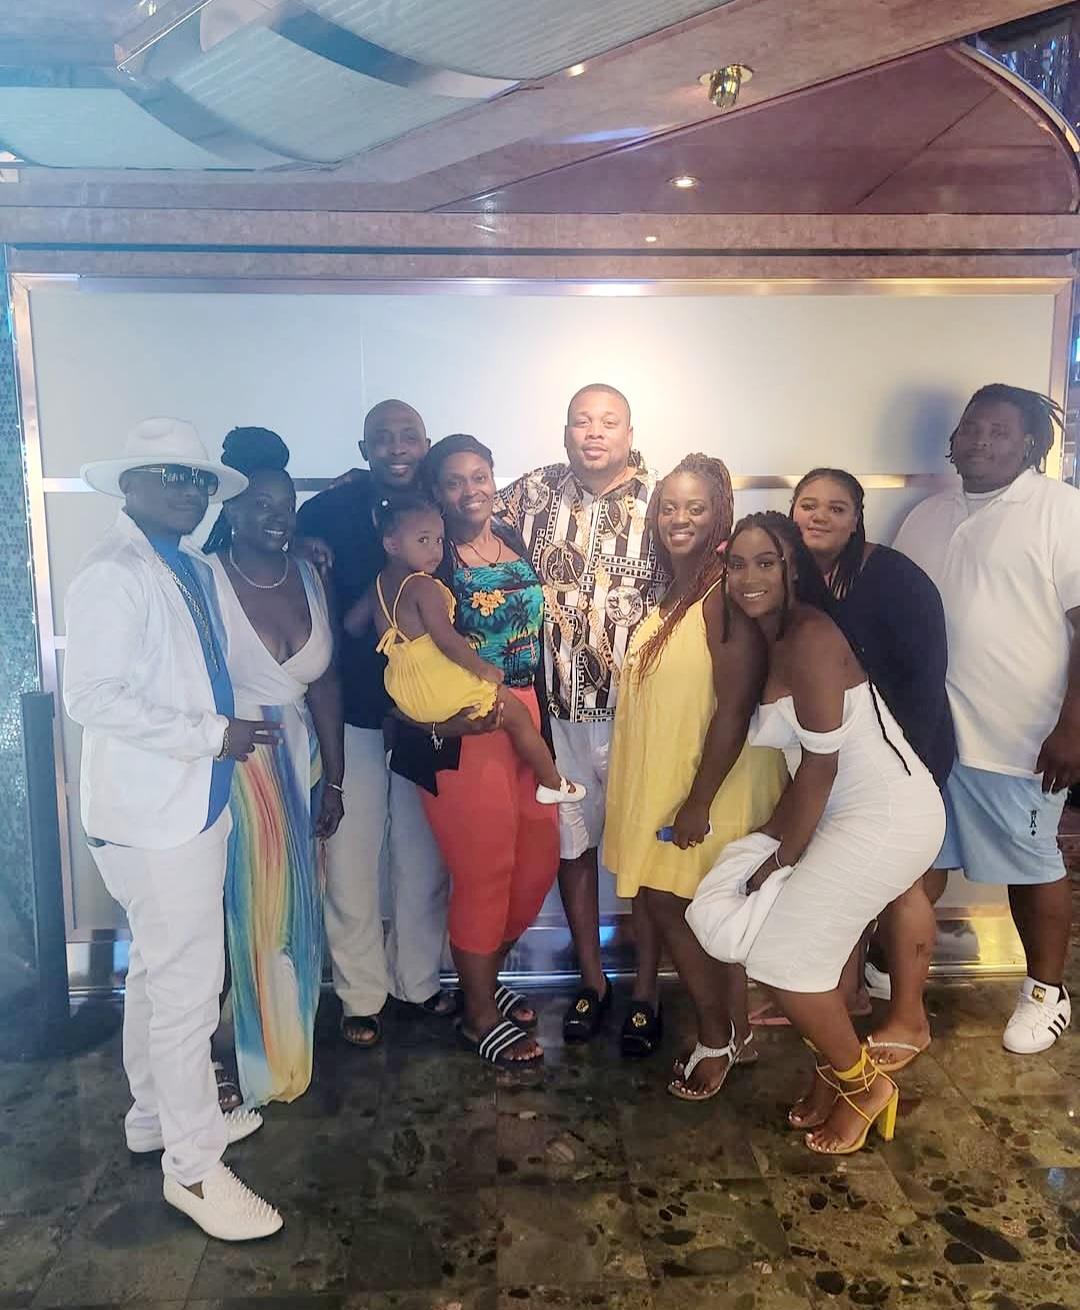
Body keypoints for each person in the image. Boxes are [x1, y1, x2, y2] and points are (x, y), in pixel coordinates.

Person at [65, 417, 282, 1240]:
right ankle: (193, 1170)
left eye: (197, 479)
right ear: (130, 484)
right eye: (170, 476)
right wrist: (211, 735)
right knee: (189, 990)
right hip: (153, 817)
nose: (188, 490)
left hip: (192, 803)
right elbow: (92, 697)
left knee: (159, 975)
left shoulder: (185, 565)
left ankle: (155, 1117)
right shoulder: (113, 574)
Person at [717, 511, 945, 1155]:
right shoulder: (771, 634)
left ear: (793, 567)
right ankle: (832, 1077)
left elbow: (821, 766)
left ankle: (866, 1088)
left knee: (784, 962)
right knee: (805, 961)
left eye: (766, 563)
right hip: (845, 814)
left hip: (885, 815)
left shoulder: (811, 637)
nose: (749, 577)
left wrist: (777, 856)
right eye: (737, 564)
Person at [895, 384, 1080, 1054]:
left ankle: (1046, 992)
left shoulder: (1061, 511)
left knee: (1031, 865)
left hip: (1019, 738)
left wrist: (1074, 727)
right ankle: (903, 978)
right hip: (931, 736)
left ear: (1030, 444)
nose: (980, 440)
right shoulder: (926, 515)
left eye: (999, 431)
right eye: (971, 428)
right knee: (919, 858)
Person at [603, 456, 787, 1098]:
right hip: (675, 780)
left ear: (720, 517)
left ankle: (714, 1037)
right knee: (710, 918)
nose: (678, 518)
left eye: (695, 508)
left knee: (671, 905)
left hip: (713, 788)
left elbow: (735, 708)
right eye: (668, 507)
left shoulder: (722, 597)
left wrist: (698, 802)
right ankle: (738, 1034)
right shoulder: (677, 592)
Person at [495, 384, 669, 1051]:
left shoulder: (662, 499)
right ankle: (592, 982)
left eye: (608, 422)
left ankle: (647, 991)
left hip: (639, 719)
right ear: (565, 431)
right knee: (574, 849)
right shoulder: (532, 493)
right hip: (558, 718)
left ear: (629, 432)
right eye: (581, 421)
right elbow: (460, 511)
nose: (594, 433)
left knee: (645, 860)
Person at [780, 468, 956, 1070]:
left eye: (836, 507)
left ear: (857, 518)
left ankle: (910, 1017)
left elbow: (925, 681)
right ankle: (848, 991)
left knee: (900, 884)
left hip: (904, 757)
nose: (819, 516)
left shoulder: (894, 577)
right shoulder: (796, 578)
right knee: (840, 872)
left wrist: (906, 768)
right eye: (808, 504)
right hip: (835, 760)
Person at [395, 434, 560, 1065]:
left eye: (480, 476)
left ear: (494, 479)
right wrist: (443, 724)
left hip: (526, 715)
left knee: (535, 865)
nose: (471, 491)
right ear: (436, 493)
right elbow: (397, 665)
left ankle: (481, 978)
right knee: (484, 870)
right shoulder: (428, 565)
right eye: (454, 481)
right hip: (467, 730)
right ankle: (478, 1014)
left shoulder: (513, 539)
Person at [295, 399, 456, 1049]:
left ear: (425, 444)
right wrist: (299, 546)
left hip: (424, 717)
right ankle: (360, 995)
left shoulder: (442, 509)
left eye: (408, 435)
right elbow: (250, 542)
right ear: (364, 450)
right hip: (353, 713)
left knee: (423, 859)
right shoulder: (327, 512)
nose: (396, 447)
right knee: (352, 860)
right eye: (382, 438)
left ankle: (418, 981)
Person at [202, 427, 344, 1108]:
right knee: (235, 913)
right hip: (228, 775)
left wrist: (335, 779)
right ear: (230, 509)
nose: (276, 515)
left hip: (299, 770)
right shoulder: (204, 579)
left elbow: (326, 685)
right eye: (260, 503)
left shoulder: (310, 574)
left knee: (292, 912)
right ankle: (220, 1055)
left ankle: (283, 1046)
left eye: (285, 505)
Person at [358, 493, 584, 804]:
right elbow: (447, 640)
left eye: (439, 540)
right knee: (517, 715)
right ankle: (552, 782)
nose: (435, 549)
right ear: (392, 545)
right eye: (423, 540)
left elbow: (352, 625)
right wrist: (483, 669)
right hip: (438, 687)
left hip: (406, 692)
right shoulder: (423, 586)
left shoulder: (378, 586)